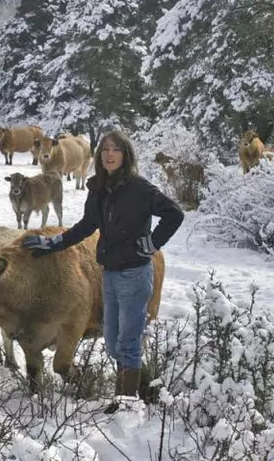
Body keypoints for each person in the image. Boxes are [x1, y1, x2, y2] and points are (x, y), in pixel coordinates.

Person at [21, 130, 184, 413]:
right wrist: (52, 243)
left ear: (126, 155)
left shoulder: (139, 188)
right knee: (112, 342)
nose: (109, 154)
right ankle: (147, 390)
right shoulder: (98, 188)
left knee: (128, 342)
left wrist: (152, 243)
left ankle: (126, 404)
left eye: (116, 150)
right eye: (105, 149)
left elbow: (174, 214)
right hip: (109, 274)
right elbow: (86, 226)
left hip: (135, 274)